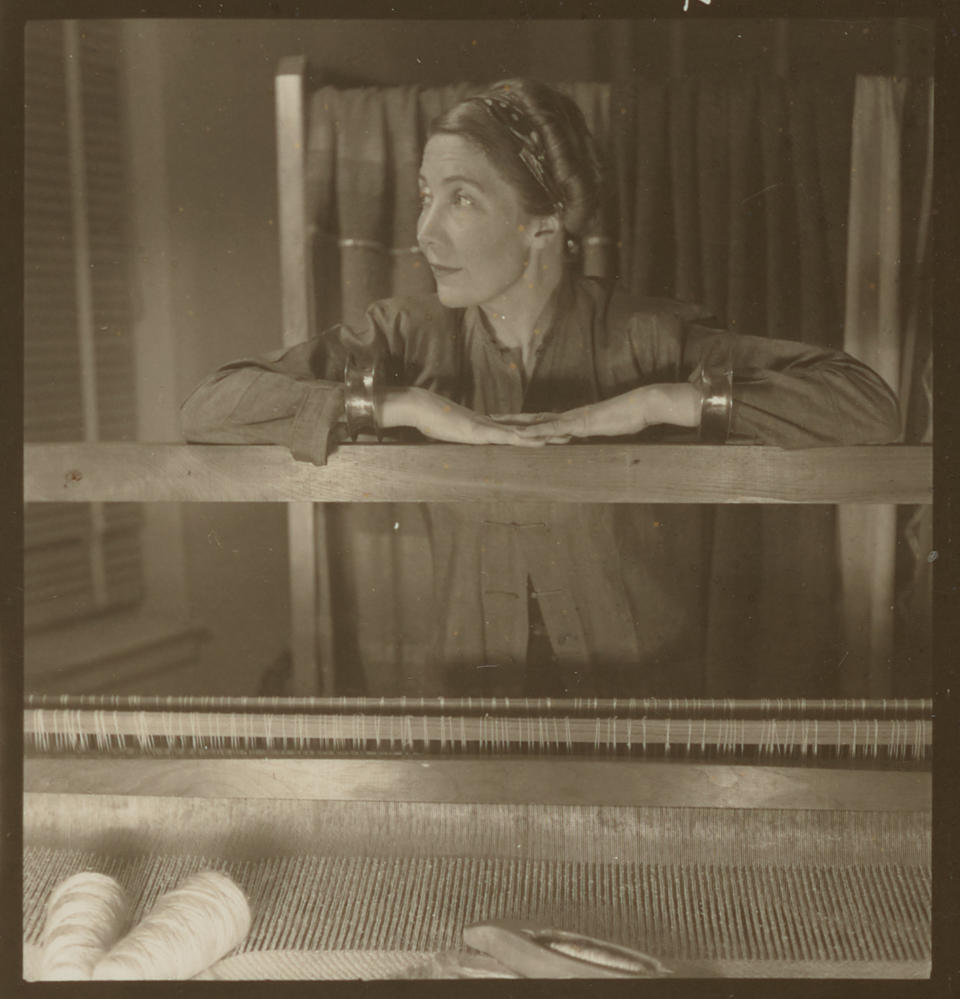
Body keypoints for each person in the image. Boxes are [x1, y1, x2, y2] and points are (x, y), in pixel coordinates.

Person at [181, 79, 900, 698]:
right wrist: (405, 406)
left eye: (460, 199)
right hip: (472, 719)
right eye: (426, 195)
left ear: (544, 224)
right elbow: (210, 406)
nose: (425, 233)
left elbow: (868, 406)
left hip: (646, 721)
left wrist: (658, 401)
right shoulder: (405, 337)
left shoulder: (647, 337)